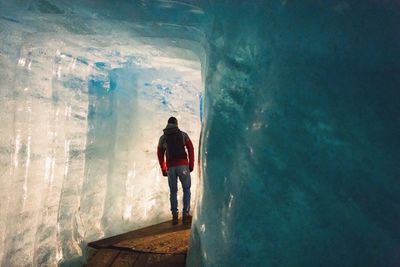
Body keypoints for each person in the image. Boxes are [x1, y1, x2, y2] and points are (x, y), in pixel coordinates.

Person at [157, 117, 194, 224]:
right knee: (186, 189)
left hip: (171, 167)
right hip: (183, 166)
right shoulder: (183, 135)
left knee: (173, 191)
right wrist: (190, 165)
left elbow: (160, 154)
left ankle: (174, 216)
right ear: (176, 124)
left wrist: (164, 168)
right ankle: (186, 214)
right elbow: (190, 148)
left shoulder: (163, 138)